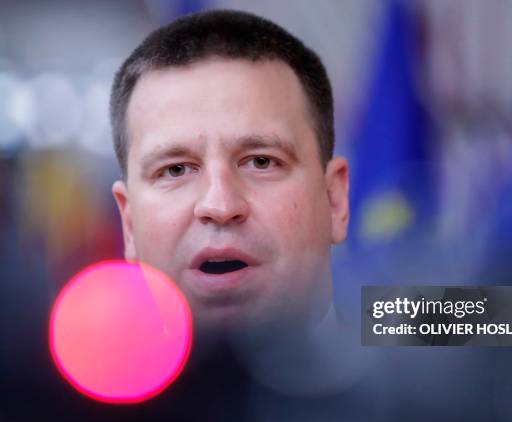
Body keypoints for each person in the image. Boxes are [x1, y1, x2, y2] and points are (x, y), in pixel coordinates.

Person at [110, 9, 349, 327]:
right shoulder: (38, 375)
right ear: (129, 224)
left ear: (334, 200)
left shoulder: (431, 357)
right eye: (176, 170)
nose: (219, 206)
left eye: (261, 162)